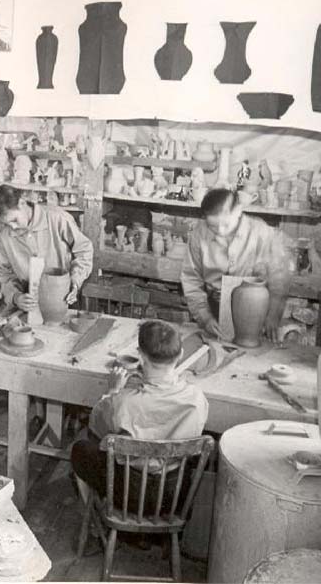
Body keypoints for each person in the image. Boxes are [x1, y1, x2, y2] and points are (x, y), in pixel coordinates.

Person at [70, 320, 208, 514]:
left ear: (141, 357)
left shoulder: (123, 402)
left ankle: (97, 520)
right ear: (181, 355)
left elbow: (95, 427)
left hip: (130, 495)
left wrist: (113, 389)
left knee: (80, 448)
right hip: (172, 497)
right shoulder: (196, 399)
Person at [181, 188, 290, 342]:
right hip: (214, 307)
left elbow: (279, 277)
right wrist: (205, 318)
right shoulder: (199, 234)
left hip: (255, 311)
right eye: (213, 226)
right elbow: (191, 279)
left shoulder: (261, 232)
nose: (220, 231)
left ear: (238, 211)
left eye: (225, 224)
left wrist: (273, 315)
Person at [0, 184, 93, 310]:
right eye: (7, 224)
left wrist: (75, 281)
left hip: (65, 297)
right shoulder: (5, 237)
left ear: (22, 203)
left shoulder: (58, 219)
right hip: (29, 303)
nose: (13, 227)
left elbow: (84, 251)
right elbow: (6, 274)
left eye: (14, 220)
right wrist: (16, 297)